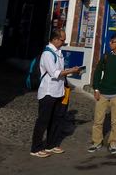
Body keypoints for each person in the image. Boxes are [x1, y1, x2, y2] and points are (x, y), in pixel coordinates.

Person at [30, 29, 81, 158]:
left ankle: (51, 145)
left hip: (59, 91)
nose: (64, 42)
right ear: (55, 39)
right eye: (62, 40)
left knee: (56, 120)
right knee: (43, 120)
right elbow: (55, 73)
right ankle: (35, 148)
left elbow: (60, 71)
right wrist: (71, 71)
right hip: (48, 92)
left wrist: (70, 71)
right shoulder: (47, 54)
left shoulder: (58, 53)